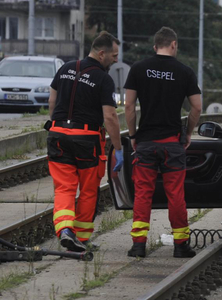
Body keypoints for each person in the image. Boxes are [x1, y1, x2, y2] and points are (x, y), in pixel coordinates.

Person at [124, 27, 201, 258]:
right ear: (174, 45)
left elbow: (128, 106)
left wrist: (133, 135)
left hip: (146, 142)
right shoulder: (184, 72)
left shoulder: (138, 69)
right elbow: (196, 107)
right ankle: (180, 245)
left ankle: (138, 245)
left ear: (155, 45)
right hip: (172, 144)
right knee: (175, 194)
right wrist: (187, 133)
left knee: (143, 193)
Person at [47, 31, 123, 252]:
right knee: (89, 190)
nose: (116, 60)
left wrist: (57, 124)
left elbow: (52, 100)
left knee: (64, 188)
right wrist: (117, 148)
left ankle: (65, 231)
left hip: (58, 134)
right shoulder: (104, 79)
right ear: (102, 54)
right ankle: (81, 236)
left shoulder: (65, 68)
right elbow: (109, 117)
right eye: (114, 55)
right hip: (87, 140)